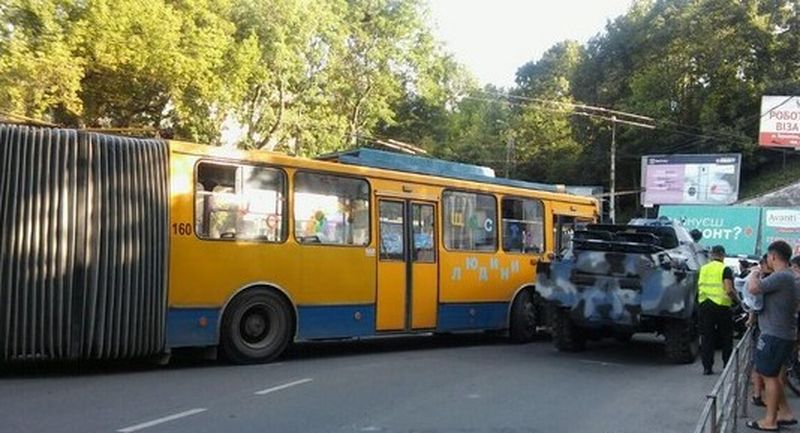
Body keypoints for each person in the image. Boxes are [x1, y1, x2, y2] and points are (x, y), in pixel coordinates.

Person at [747, 241, 799, 431]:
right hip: (782, 333)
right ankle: (784, 412)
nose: (767, 261)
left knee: (767, 375)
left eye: (768, 257)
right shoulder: (788, 276)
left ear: (774, 257)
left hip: (774, 334)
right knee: (774, 374)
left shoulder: (782, 276)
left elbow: (754, 288)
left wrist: (754, 273)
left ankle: (769, 420)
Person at [697, 245, 738, 375]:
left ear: (711, 254)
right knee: (726, 337)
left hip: (705, 305)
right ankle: (726, 366)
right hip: (722, 306)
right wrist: (737, 301)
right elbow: (729, 289)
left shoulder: (703, 268)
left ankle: (707, 367)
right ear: (723, 255)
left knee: (707, 337)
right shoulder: (725, 269)